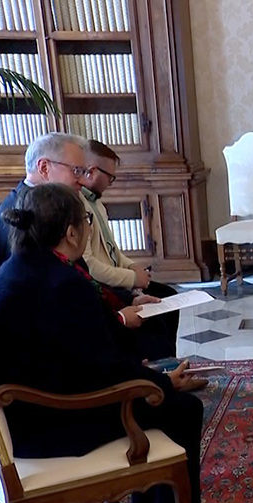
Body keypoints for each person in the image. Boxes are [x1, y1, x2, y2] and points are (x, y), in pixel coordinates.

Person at [0, 184, 222, 503]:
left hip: (26, 410)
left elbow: (82, 352)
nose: (88, 227)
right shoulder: (61, 283)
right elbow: (104, 370)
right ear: (71, 231)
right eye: (87, 220)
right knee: (180, 409)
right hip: (53, 420)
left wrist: (151, 377)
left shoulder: (16, 269)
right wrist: (163, 384)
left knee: (154, 394)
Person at [80, 139, 182, 363]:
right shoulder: (78, 207)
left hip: (117, 277)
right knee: (157, 317)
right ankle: (158, 371)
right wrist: (132, 278)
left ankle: (169, 366)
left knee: (168, 298)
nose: (111, 183)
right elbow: (90, 265)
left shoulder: (97, 204)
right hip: (105, 285)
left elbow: (112, 250)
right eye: (110, 177)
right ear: (91, 172)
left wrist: (133, 267)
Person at [0, 132, 89, 285]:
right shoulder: (24, 214)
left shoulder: (46, 204)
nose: (84, 181)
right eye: (76, 171)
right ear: (44, 168)